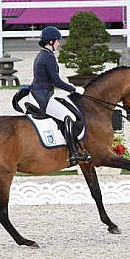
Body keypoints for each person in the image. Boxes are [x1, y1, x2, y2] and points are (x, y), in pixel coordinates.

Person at [29, 26, 90, 166]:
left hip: (41, 92)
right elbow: (56, 81)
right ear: (50, 41)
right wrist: (74, 89)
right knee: (69, 117)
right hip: (43, 97)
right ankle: (74, 153)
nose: (59, 43)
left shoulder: (43, 54)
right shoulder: (47, 56)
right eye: (57, 41)